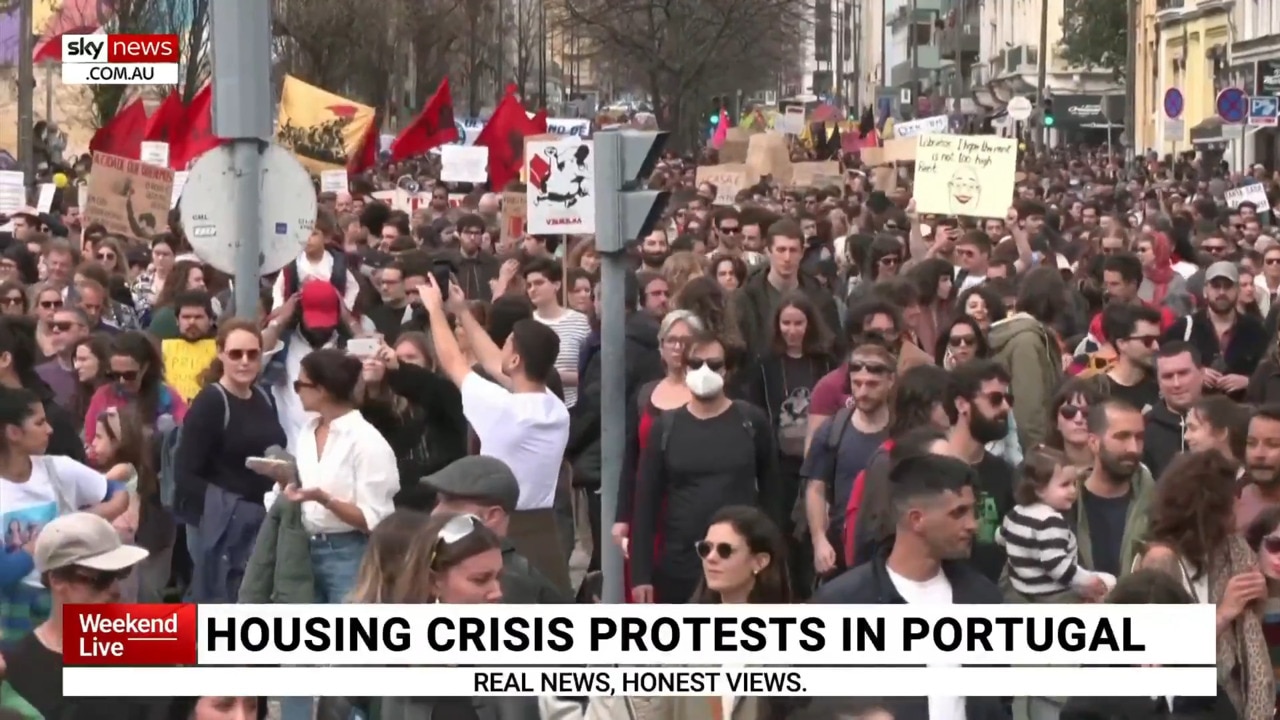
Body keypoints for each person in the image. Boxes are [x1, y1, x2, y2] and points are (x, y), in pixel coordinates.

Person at [813, 450, 1004, 720]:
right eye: (958, 513)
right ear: (917, 519)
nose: (973, 524)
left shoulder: (983, 599)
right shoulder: (840, 605)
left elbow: (1000, 701)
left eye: (972, 511)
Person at [421, 273, 572, 592]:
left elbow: (453, 362)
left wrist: (435, 309)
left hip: (499, 531)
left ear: (515, 358)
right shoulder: (556, 409)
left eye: (507, 345)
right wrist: (461, 311)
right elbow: (493, 363)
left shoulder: (503, 410)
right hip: (546, 531)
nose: (500, 349)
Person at [631, 330, 781, 604]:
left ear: (726, 371)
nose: (704, 371)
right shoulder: (666, 427)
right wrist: (640, 575)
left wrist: (773, 560)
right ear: (685, 369)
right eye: (696, 364)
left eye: (713, 365)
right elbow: (645, 503)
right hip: (680, 563)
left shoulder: (751, 421)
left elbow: (773, 495)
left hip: (740, 564)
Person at [0, 386, 129, 642]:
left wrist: (86, 521)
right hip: (14, 609)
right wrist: (49, 538)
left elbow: (117, 493)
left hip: (70, 596)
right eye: (39, 422)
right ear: (13, 433)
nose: (49, 429)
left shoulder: (57, 469)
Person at [0, 512, 158, 718]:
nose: (115, 590)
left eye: (121, 574)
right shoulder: (17, 669)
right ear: (57, 579)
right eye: (99, 579)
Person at [416, 455, 568, 603]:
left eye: (450, 502)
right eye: (438, 501)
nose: (435, 512)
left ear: (492, 516)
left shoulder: (507, 583)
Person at [996, 445, 1114, 602]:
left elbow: (1000, 538)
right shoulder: (1051, 521)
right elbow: (1056, 565)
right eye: (1065, 485)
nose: (1073, 491)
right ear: (1039, 489)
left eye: (1074, 483)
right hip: (1054, 595)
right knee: (1110, 582)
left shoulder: (1016, 512)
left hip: (1021, 588)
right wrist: (1087, 581)